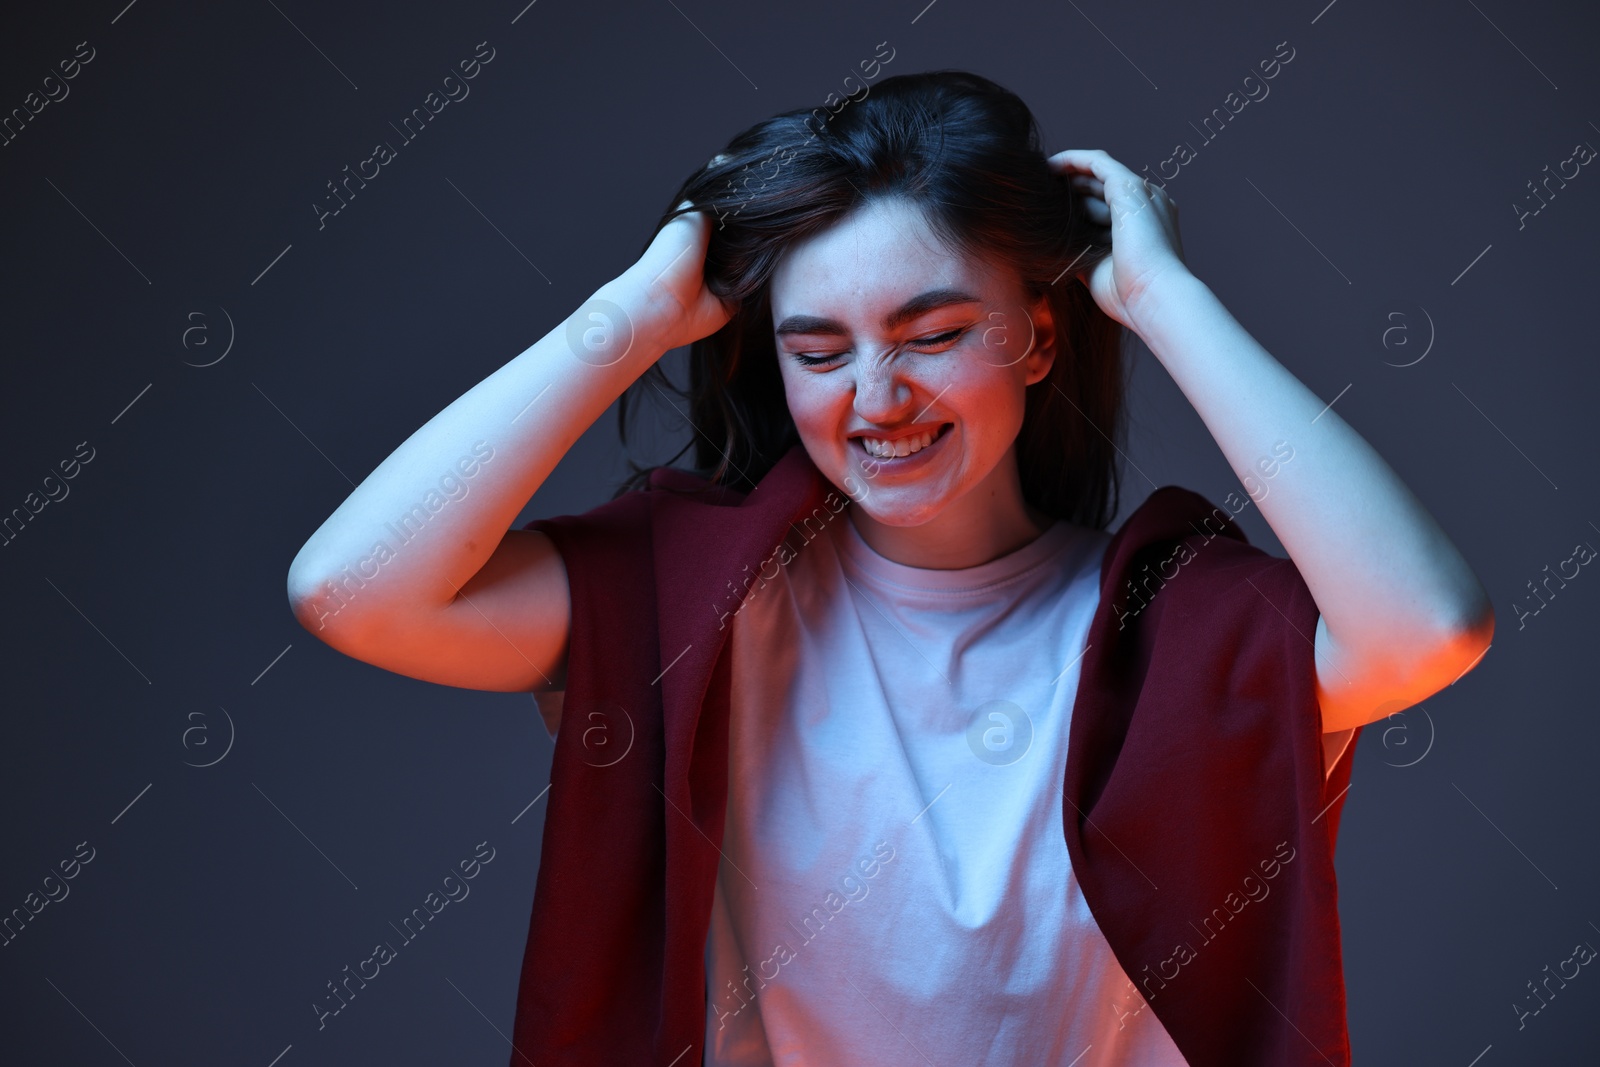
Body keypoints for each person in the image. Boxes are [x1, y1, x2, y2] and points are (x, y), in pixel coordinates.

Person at [286, 70, 1494, 1066]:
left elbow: (1427, 625)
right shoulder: (693, 600)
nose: (877, 399)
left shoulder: (1173, 623)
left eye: (934, 335)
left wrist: (1164, 299)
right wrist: (626, 318)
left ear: (1034, 338)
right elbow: (352, 590)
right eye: (818, 350)